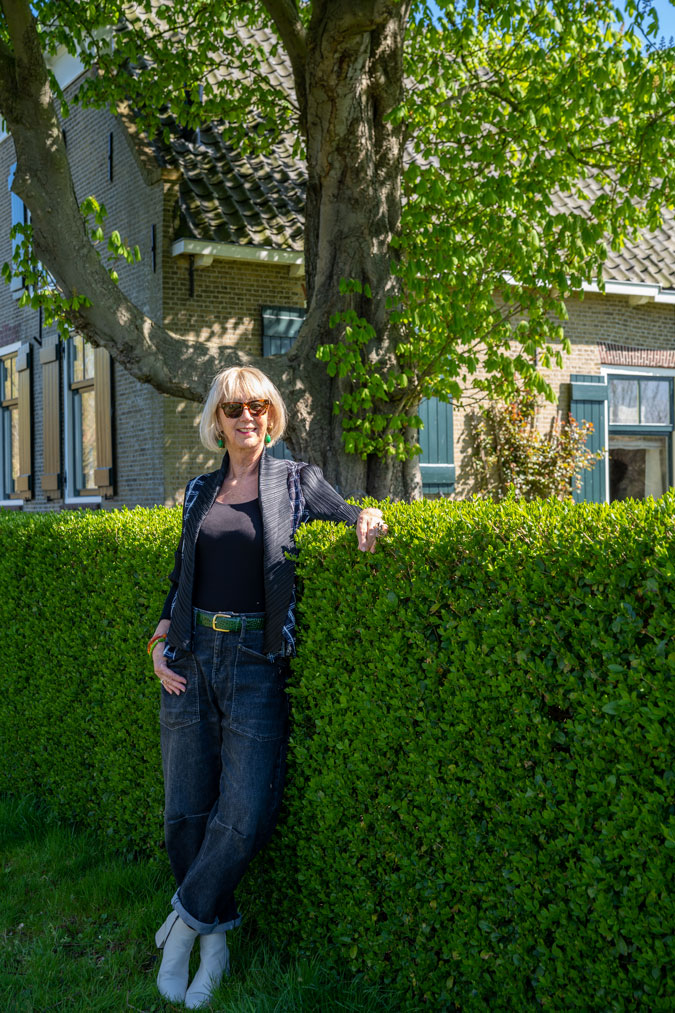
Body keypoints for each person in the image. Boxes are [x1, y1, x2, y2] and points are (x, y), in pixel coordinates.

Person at [147, 365, 386, 1008]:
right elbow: (179, 579)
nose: (246, 416)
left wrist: (367, 515)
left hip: (255, 658)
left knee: (247, 812)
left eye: (257, 405)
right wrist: (157, 644)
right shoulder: (199, 492)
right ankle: (213, 945)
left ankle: (181, 925)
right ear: (217, 422)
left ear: (272, 416)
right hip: (191, 658)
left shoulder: (293, 479)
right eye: (233, 408)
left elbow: (347, 511)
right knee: (184, 812)